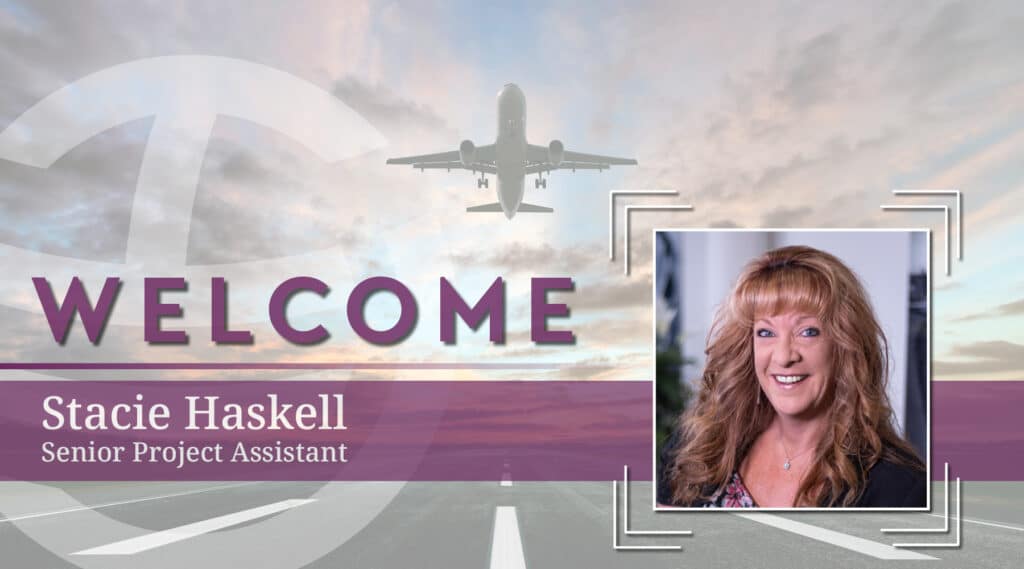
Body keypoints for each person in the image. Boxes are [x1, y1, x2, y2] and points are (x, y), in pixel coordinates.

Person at [658, 245, 925, 508]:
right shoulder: (697, 444)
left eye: (808, 332)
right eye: (765, 333)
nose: (784, 357)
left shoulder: (901, 486)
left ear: (845, 345)